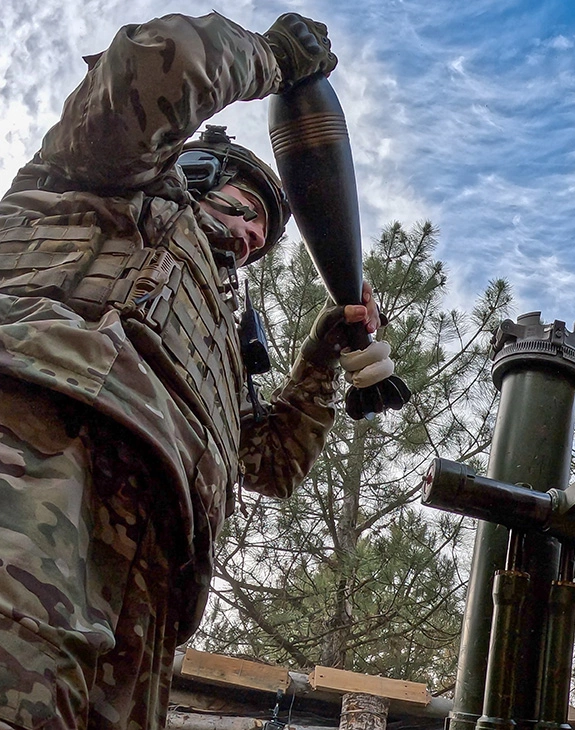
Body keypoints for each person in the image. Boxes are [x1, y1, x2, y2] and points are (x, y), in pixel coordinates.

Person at [0, 12, 397, 729]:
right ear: (194, 171)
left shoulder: (223, 347)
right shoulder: (102, 179)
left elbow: (271, 465)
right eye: (245, 208)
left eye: (264, 236)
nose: (250, 237)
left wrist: (318, 360)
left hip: (150, 573)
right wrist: (272, 59)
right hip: (34, 463)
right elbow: (159, 65)